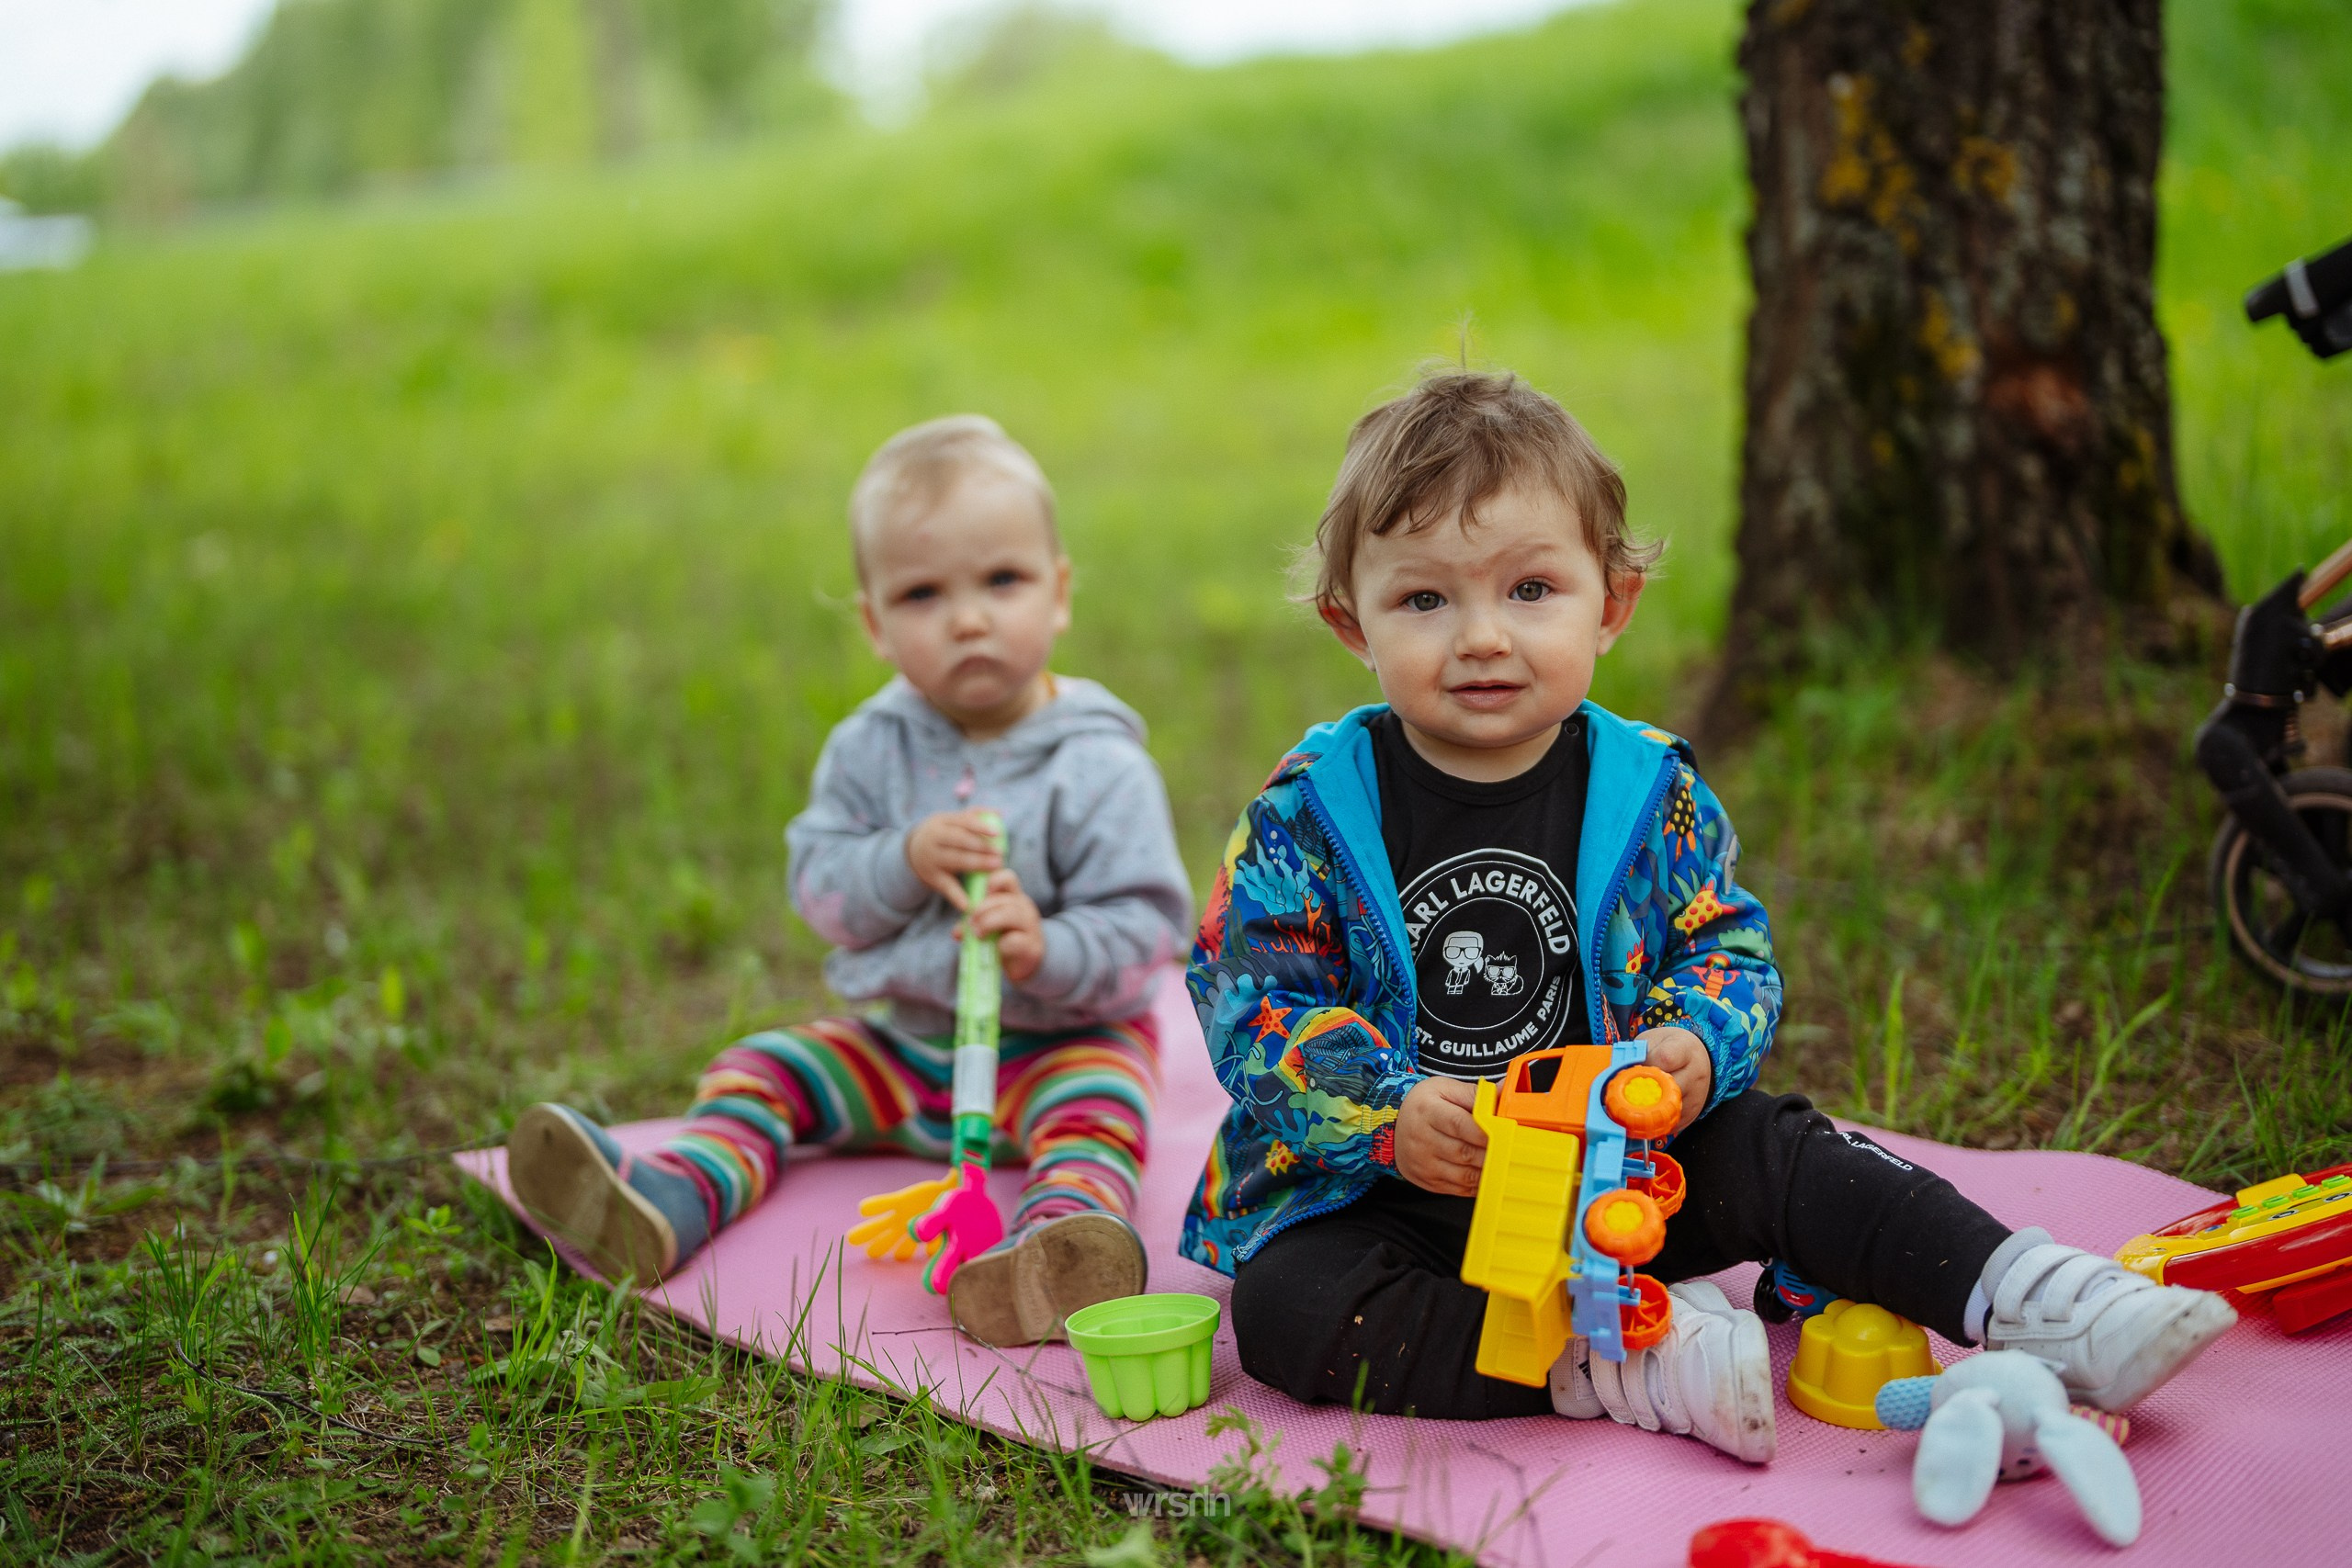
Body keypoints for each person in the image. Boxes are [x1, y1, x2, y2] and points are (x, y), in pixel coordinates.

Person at [1183, 370, 2235, 1460]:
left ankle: (2029, 1293)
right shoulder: (1307, 811)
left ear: (1613, 602)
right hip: (1392, 1197)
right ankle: (1614, 1359)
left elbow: (1724, 950)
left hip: (1620, 1180)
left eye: (1530, 590)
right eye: (1425, 600)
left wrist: (1693, 1042)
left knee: (1782, 1149)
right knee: (1286, 1310)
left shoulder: (1649, 792)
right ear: (1350, 623)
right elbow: (1247, 999)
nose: (1483, 637)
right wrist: (1386, 1114)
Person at [508, 414, 1192, 1347]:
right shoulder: (869, 750)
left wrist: (1044, 948)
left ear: (1059, 592)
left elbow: (1148, 926)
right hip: (908, 1053)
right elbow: (821, 892)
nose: (968, 618)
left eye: (1003, 580)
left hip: (1059, 1045)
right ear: (874, 622)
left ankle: (1056, 1250)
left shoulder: (1098, 764)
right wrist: (900, 860)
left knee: (1100, 1114)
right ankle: (674, 1196)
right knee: (763, 1066)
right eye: (921, 593)